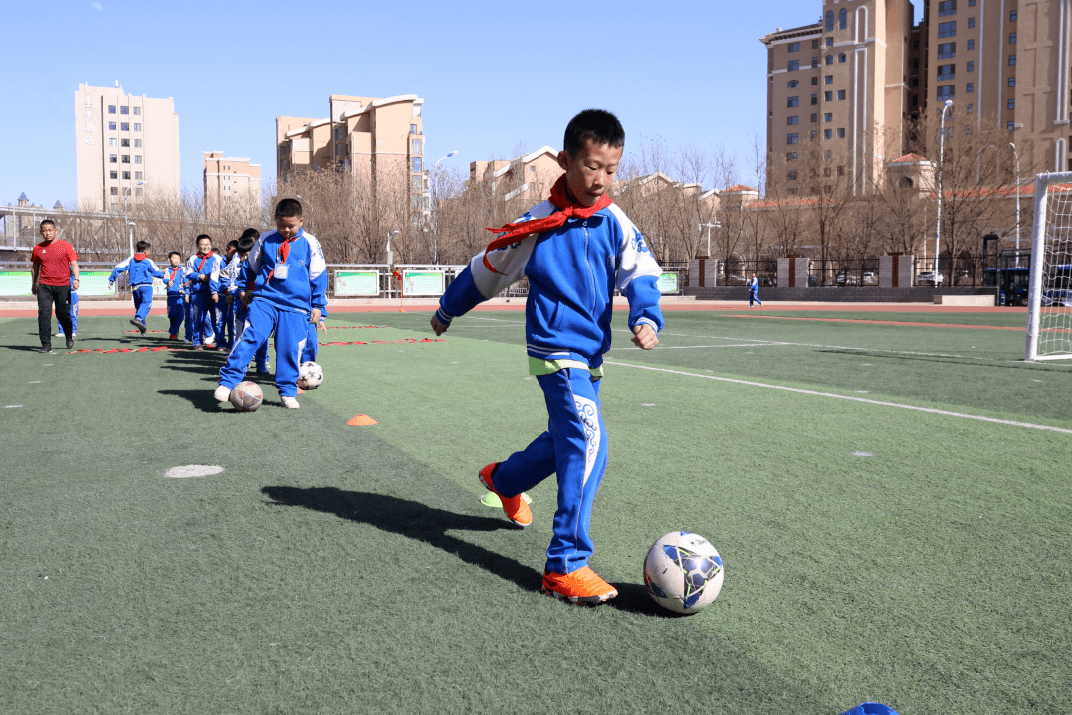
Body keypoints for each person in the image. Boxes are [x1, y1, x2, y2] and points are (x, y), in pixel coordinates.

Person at [430, 109, 663, 604]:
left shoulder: (614, 220)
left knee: (566, 440)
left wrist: (646, 316)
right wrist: (448, 309)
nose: (601, 179)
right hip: (555, 352)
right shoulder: (536, 225)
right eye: (591, 166)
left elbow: (640, 272)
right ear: (565, 161)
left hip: (591, 355)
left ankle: (504, 479)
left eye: (611, 168)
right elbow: (485, 271)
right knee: (588, 438)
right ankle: (566, 565)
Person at [214, 201, 327, 409]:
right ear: (275, 220)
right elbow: (250, 266)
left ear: (301, 221)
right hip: (265, 299)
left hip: (296, 306)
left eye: (291, 226)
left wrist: (319, 305)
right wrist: (241, 288)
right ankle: (228, 382)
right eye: (281, 225)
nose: (285, 230)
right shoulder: (266, 239)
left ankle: (287, 391)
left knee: (289, 348)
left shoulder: (311, 243)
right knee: (251, 335)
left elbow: (318, 276)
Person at [30, 219, 79, 353]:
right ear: (41, 232)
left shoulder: (66, 246)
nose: (47, 233)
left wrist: (77, 279)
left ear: (55, 231)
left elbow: (74, 264)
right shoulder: (37, 249)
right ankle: (46, 345)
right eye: (44, 231)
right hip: (44, 286)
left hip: (63, 285)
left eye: (50, 230)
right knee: (44, 315)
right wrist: (34, 283)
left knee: (62, 314)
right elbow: (35, 267)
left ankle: (68, 335)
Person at [109, 240, 166, 334]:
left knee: (139, 307)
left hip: (135, 288)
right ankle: (138, 319)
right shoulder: (148, 261)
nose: (149, 253)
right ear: (145, 251)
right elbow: (156, 272)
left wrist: (111, 279)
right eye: (149, 251)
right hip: (146, 286)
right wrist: (165, 276)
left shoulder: (130, 260)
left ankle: (142, 327)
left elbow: (118, 268)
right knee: (147, 303)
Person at [185, 234, 222, 349]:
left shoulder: (217, 258)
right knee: (198, 318)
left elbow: (223, 273)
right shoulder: (193, 258)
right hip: (199, 293)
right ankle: (197, 342)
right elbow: (188, 273)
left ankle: (220, 342)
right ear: (197, 245)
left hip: (214, 293)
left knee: (217, 320)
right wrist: (200, 276)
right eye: (202, 245)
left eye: (208, 244)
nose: (205, 247)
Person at [215, 239, 241, 349]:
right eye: (232, 251)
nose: (234, 254)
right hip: (221, 294)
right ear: (227, 250)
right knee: (219, 320)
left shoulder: (241, 260)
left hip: (234, 295)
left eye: (237, 252)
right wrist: (226, 291)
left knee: (233, 323)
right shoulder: (219, 261)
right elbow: (219, 277)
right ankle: (220, 343)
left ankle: (232, 346)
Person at [163, 251, 187, 340]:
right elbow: (165, 278)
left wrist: (183, 290)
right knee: (172, 315)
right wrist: (168, 281)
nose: (176, 260)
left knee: (180, 315)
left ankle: (173, 333)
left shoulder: (183, 270)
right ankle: (174, 332)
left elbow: (186, 281)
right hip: (171, 296)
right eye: (174, 258)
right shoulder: (167, 270)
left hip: (181, 296)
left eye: (178, 258)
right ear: (169, 259)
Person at [56, 268, 79, 340]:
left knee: (73, 313)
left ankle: (73, 331)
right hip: (62, 294)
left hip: (72, 295)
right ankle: (62, 331)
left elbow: (75, 270)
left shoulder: (73, 275)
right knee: (61, 313)